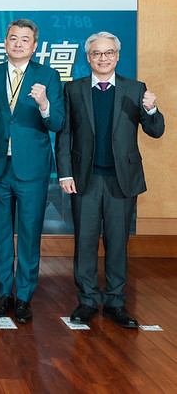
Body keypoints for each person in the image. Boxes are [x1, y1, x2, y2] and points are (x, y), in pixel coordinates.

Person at [56, 31, 164, 328]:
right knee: (85, 242)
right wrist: (65, 172)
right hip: (85, 179)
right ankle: (88, 300)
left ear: (117, 56)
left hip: (122, 180)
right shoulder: (73, 89)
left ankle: (116, 302)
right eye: (96, 53)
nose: (102, 58)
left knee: (117, 243)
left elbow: (155, 131)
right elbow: (64, 135)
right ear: (88, 57)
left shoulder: (135, 88)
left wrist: (151, 109)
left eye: (108, 53)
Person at [0, 19, 64, 324]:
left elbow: (57, 122)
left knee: (29, 235)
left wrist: (44, 104)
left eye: (25, 39)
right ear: (5, 42)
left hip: (33, 170)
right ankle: (4, 293)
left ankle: (24, 297)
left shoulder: (48, 76)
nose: (18, 44)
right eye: (13, 38)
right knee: (0, 235)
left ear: (34, 46)